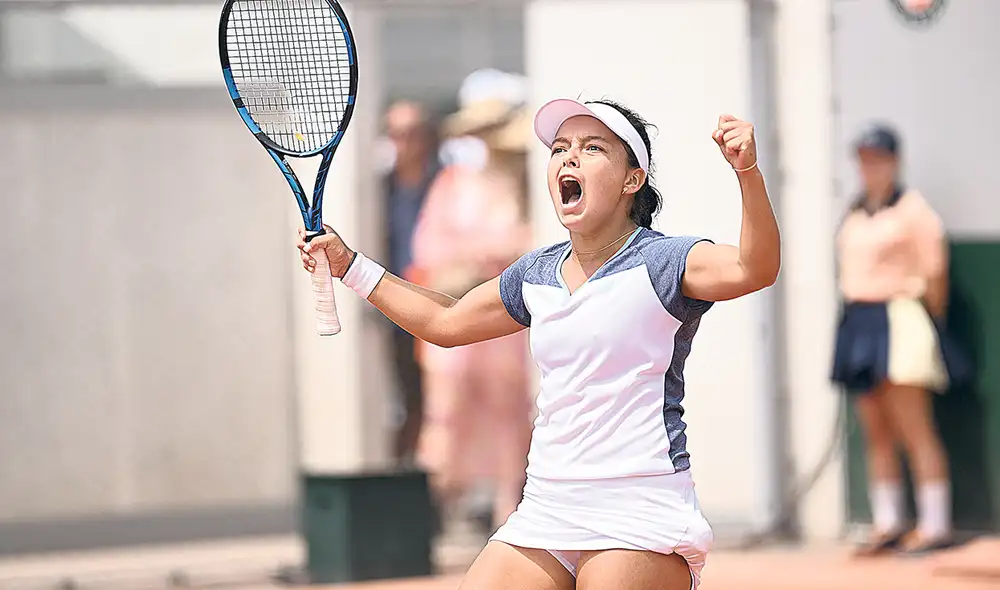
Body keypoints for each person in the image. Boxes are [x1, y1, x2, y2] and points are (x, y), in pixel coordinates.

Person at [299, 98, 780, 590]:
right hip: (548, 505)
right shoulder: (535, 274)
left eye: (592, 148)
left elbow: (754, 268)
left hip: (640, 503)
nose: (569, 157)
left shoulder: (666, 261)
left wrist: (748, 172)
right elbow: (444, 321)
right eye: (560, 148)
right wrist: (349, 265)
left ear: (631, 180)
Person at [409, 91, 534, 533]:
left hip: (505, 322)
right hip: (458, 315)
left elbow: (535, 243)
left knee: (510, 417)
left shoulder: (525, 184)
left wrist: (493, 253)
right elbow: (429, 247)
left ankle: (507, 513)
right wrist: (483, 253)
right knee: (445, 414)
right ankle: (431, 515)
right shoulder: (452, 184)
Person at [832, 124, 954, 556]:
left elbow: (936, 274)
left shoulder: (914, 210)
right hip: (859, 320)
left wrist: (926, 318)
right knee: (876, 429)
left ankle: (936, 525)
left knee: (914, 426)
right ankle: (889, 522)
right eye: (864, 158)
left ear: (895, 162)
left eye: (879, 158)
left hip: (900, 317)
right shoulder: (855, 210)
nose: (871, 167)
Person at [380, 100, 441, 465]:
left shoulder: (443, 182)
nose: (405, 144)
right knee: (405, 398)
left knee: (436, 400)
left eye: (413, 134)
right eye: (397, 135)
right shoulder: (379, 190)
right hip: (392, 308)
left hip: (437, 304)